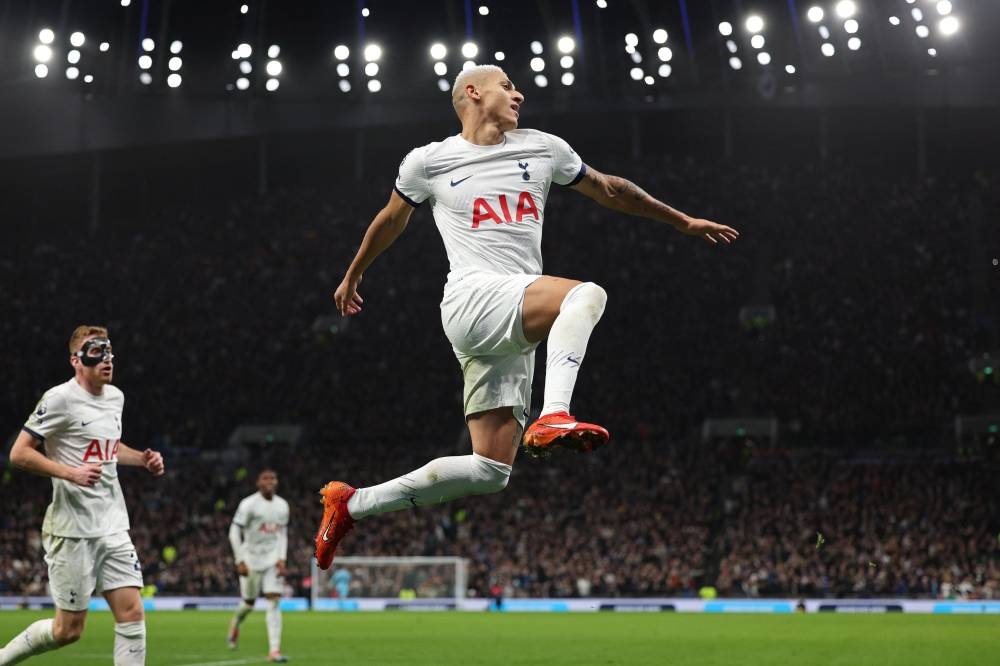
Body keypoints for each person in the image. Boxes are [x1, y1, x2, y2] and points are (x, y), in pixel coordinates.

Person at [314, 64, 738, 569]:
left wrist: (681, 220)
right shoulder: (428, 161)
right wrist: (353, 274)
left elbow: (608, 188)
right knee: (586, 296)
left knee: (489, 470)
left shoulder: (544, 148)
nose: (520, 95)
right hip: (473, 299)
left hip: (511, 317)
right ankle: (555, 412)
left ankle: (352, 503)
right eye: (508, 86)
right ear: (473, 92)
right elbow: (391, 219)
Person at [0, 326, 165, 665]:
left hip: (112, 523)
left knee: (132, 612)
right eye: (96, 352)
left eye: (109, 351)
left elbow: (108, 447)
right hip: (72, 528)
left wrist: (142, 460)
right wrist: (70, 473)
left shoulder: (115, 397)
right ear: (76, 360)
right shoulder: (59, 398)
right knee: (68, 631)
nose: (106, 359)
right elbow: (19, 453)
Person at [226, 469, 290, 663]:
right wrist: (240, 560)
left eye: (273, 478)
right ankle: (236, 622)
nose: (270, 481)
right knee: (249, 603)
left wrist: (281, 558)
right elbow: (233, 533)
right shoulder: (248, 505)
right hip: (251, 559)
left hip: (272, 560)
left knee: (274, 600)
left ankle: (274, 650)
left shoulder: (282, 506)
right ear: (258, 483)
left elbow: (282, 534)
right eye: (265, 478)